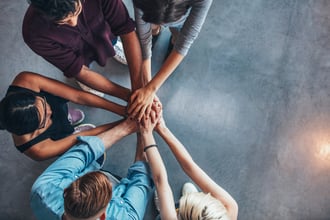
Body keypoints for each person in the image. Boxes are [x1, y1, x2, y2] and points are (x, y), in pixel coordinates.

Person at [30, 117, 155, 220]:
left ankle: (93, 164)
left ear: (65, 191)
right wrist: (144, 131)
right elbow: (141, 177)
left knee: (87, 155)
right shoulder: (125, 217)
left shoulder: (42, 189)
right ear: (102, 216)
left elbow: (83, 152)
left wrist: (126, 127)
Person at [22, 0, 145, 98]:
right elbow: (78, 69)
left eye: (77, 11)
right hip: (78, 57)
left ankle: (112, 45)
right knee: (80, 68)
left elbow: (125, 29)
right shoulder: (34, 34)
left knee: (110, 40)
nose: (74, 23)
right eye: (62, 22)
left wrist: (139, 89)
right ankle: (84, 80)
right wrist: (128, 96)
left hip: (104, 33)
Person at [0, 71, 128, 161]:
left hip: (58, 108)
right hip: (56, 136)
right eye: (45, 119)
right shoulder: (37, 149)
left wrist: (123, 110)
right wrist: (125, 122)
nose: (50, 111)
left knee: (61, 110)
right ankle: (67, 130)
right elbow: (83, 136)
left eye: (43, 103)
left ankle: (66, 117)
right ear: (34, 131)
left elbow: (78, 96)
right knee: (76, 140)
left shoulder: (26, 80)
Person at [138, 111, 239, 219]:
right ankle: (187, 204)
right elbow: (190, 166)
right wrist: (162, 128)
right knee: (167, 199)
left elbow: (159, 180)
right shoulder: (230, 208)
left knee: (163, 211)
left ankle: (164, 208)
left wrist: (146, 133)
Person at [129, 0, 213, 120]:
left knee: (178, 34)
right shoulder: (145, 4)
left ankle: (172, 36)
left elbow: (185, 41)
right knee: (151, 29)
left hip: (180, 22)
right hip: (154, 15)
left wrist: (150, 89)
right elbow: (143, 37)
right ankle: (155, 30)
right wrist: (147, 86)